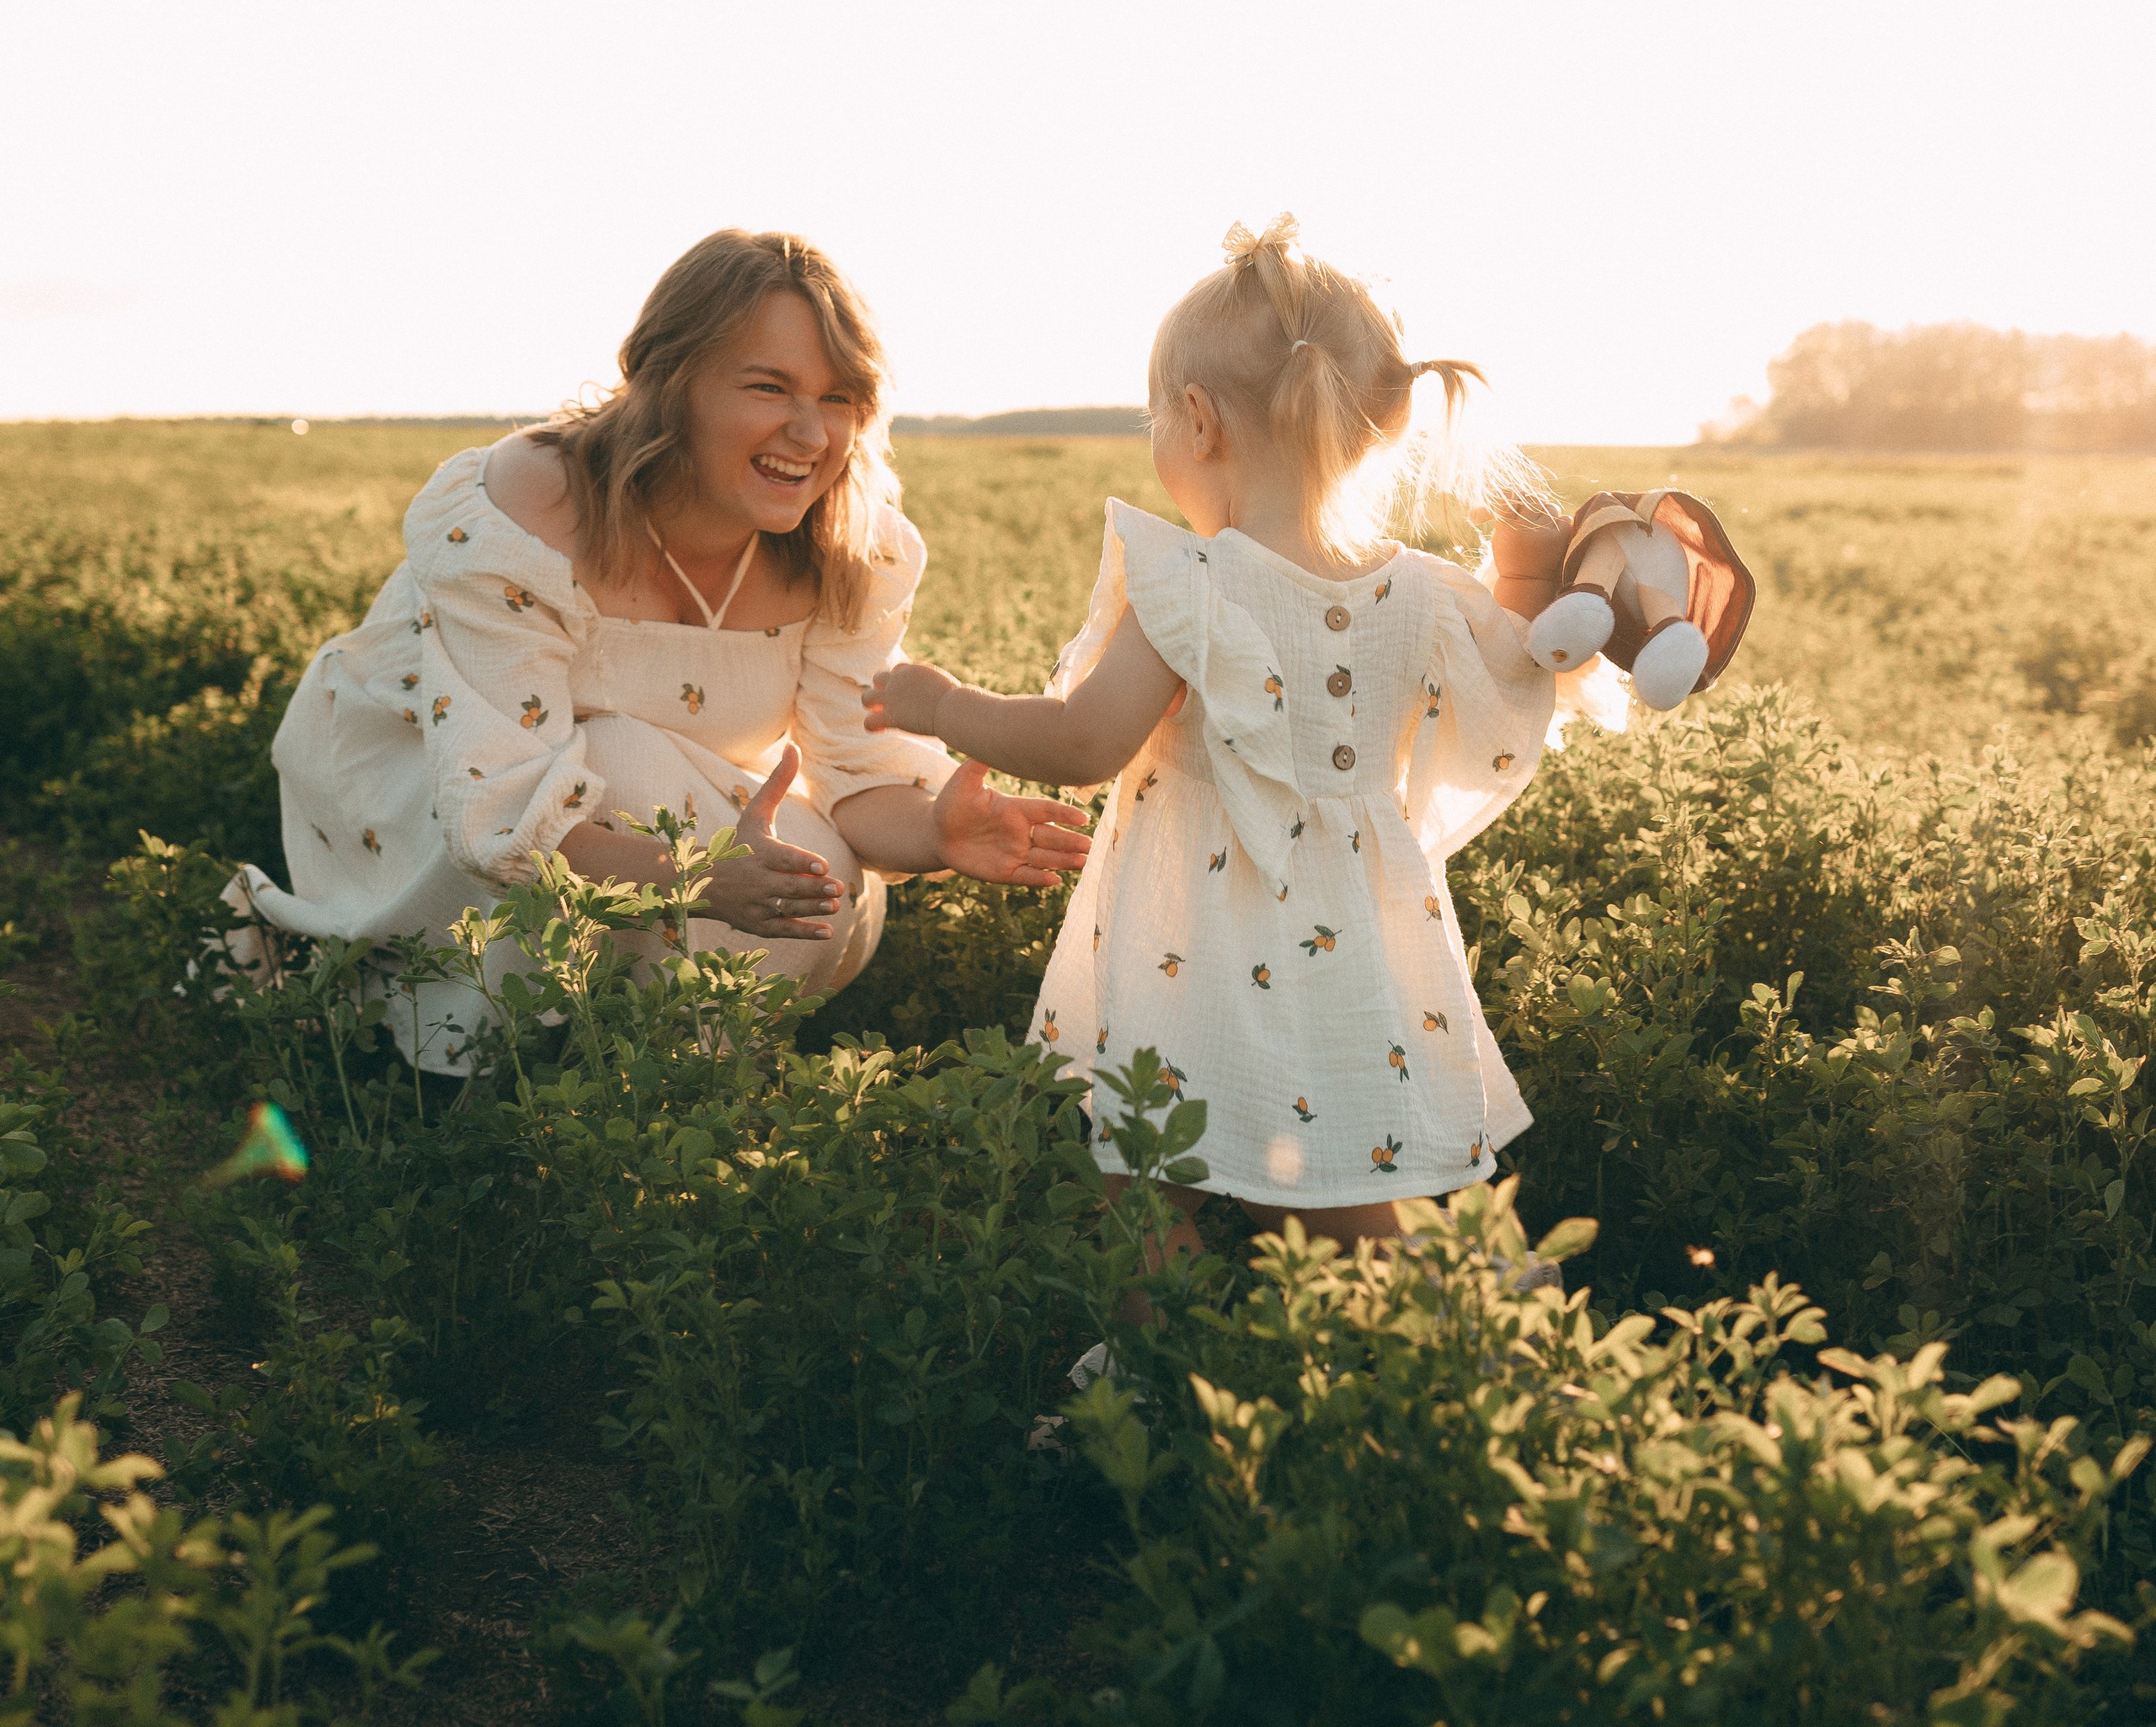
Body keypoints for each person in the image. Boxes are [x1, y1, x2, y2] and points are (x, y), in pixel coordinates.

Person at [867, 216, 1602, 1249]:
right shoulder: (1427, 596)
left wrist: (943, 708)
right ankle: (1421, 1358)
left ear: (1197, 422)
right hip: (1353, 931)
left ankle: (1140, 1379)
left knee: (1145, 1169)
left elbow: (1085, 744)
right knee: (1335, 1180)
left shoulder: (1192, 583)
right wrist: (1534, 538)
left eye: (1154, 420)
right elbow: (1523, 665)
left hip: (1194, 940)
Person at [237, 228, 1090, 1059]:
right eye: (768, 388)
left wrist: (939, 829)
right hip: (427, 784)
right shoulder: (529, 510)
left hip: (649, 808)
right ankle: (463, 1049)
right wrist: (705, 880)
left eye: (838, 399)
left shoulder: (851, 550)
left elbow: (855, 777)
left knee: (820, 867)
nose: (810, 434)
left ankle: (654, 1077)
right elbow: (497, 807)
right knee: (625, 762)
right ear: (666, 381)